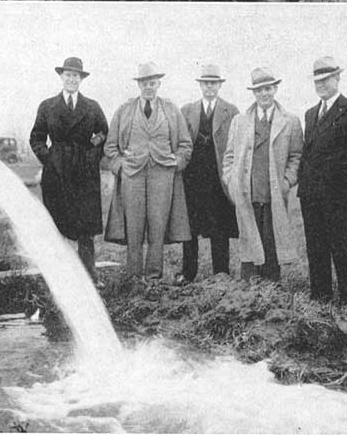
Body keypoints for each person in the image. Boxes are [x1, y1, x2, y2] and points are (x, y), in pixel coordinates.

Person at [104, 62, 192, 281]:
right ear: (139, 84)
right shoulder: (124, 110)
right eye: (144, 83)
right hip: (132, 176)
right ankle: (134, 279)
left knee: (158, 227)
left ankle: (153, 278)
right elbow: (110, 146)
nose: (148, 87)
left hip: (162, 176)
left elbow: (185, 145)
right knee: (133, 229)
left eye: (152, 82)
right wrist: (120, 165)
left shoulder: (171, 110)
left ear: (159, 83)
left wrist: (177, 162)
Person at [297, 57, 347, 304]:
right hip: (311, 196)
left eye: (325, 79)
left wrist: (344, 185)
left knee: (342, 248)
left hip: (341, 196)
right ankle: (321, 298)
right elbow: (308, 153)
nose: (320, 85)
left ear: (337, 79)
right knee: (316, 248)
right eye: (316, 81)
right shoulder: (310, 114)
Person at [29, 56, 108, 282]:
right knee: (57, 223)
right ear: (61, 77)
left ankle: (89, 276)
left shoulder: (92, 107)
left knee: (85, 227)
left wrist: (91, 155)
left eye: (76, 75)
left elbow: (103, 133)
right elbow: (36, 138)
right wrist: (50, 159)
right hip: (57, 172)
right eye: (68, 75)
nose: (72, 79)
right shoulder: (47, 106)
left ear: (81, 79)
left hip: (84, 172)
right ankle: (59, 276)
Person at [222, 67, 303, 282]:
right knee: (249, 237)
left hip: (274, 193)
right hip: (247, 192)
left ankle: (271, 291)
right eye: (259, 90)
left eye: (268, 89)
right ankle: (247, 290)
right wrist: (231, 181)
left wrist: (286, 182)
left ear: (275, 89)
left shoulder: (290, 121)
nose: (264, 94)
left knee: (271, 238)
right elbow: (229, 156)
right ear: (254, 93)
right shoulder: (239, 121)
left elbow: (296, 157)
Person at [175, 64, 239, 285]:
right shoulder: (187, 110)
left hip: (217, 179)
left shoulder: (231, 111)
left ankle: (221, 274)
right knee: (190, 228)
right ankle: (187, 273)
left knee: (219, 226)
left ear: (219, 85)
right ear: (201, 85)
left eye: (214, 83)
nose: (210, 87)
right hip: (192, 179)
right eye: (206, 83)